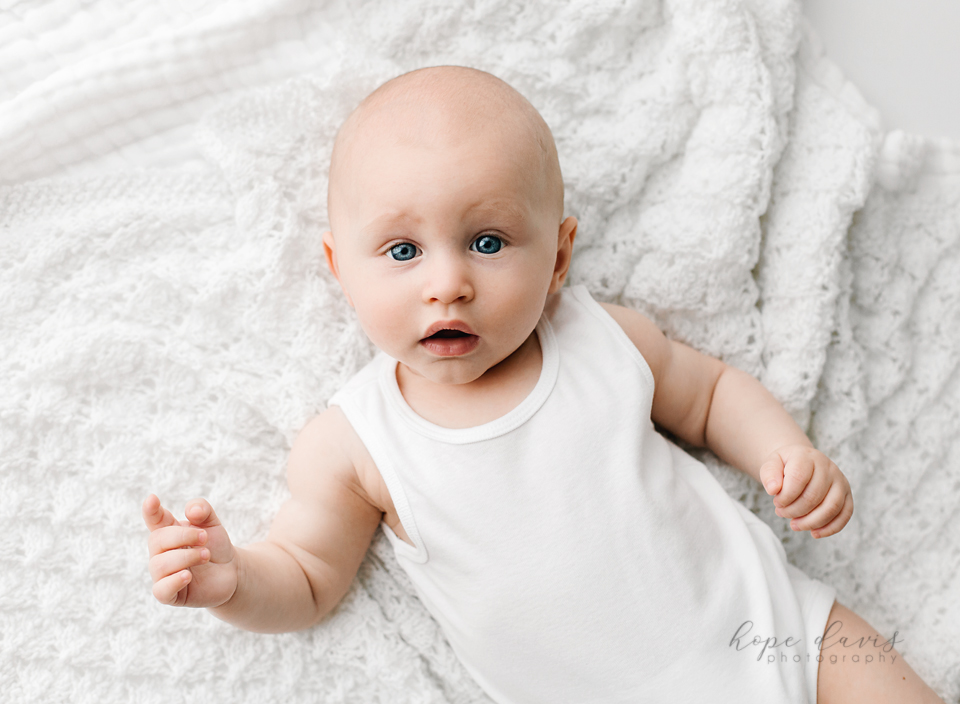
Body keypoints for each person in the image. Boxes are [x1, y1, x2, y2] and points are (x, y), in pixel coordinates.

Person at [142, 66, 945, 703]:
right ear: (337, 269)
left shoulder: (603, 340)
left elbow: (709, 396)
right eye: (400, 252)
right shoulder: (355, 445)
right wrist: (236, 580)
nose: (448, 283)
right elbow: (308, 578)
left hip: (787, 635)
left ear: (558, 258)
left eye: (487, 241)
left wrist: (785, 451)